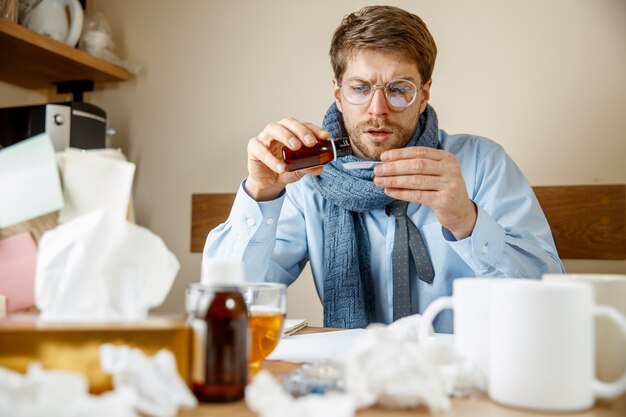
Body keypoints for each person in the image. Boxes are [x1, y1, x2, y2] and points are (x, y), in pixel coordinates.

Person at [203, 5, 564, 333]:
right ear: (338, 94)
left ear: (424, 95)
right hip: (351, 382)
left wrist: (467, 221)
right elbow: (226, 301)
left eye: (398, 89)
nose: (378, 109)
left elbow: (549, 300)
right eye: (360, 88)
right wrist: (262, 193)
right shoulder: (305, 179)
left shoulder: (482, 165)